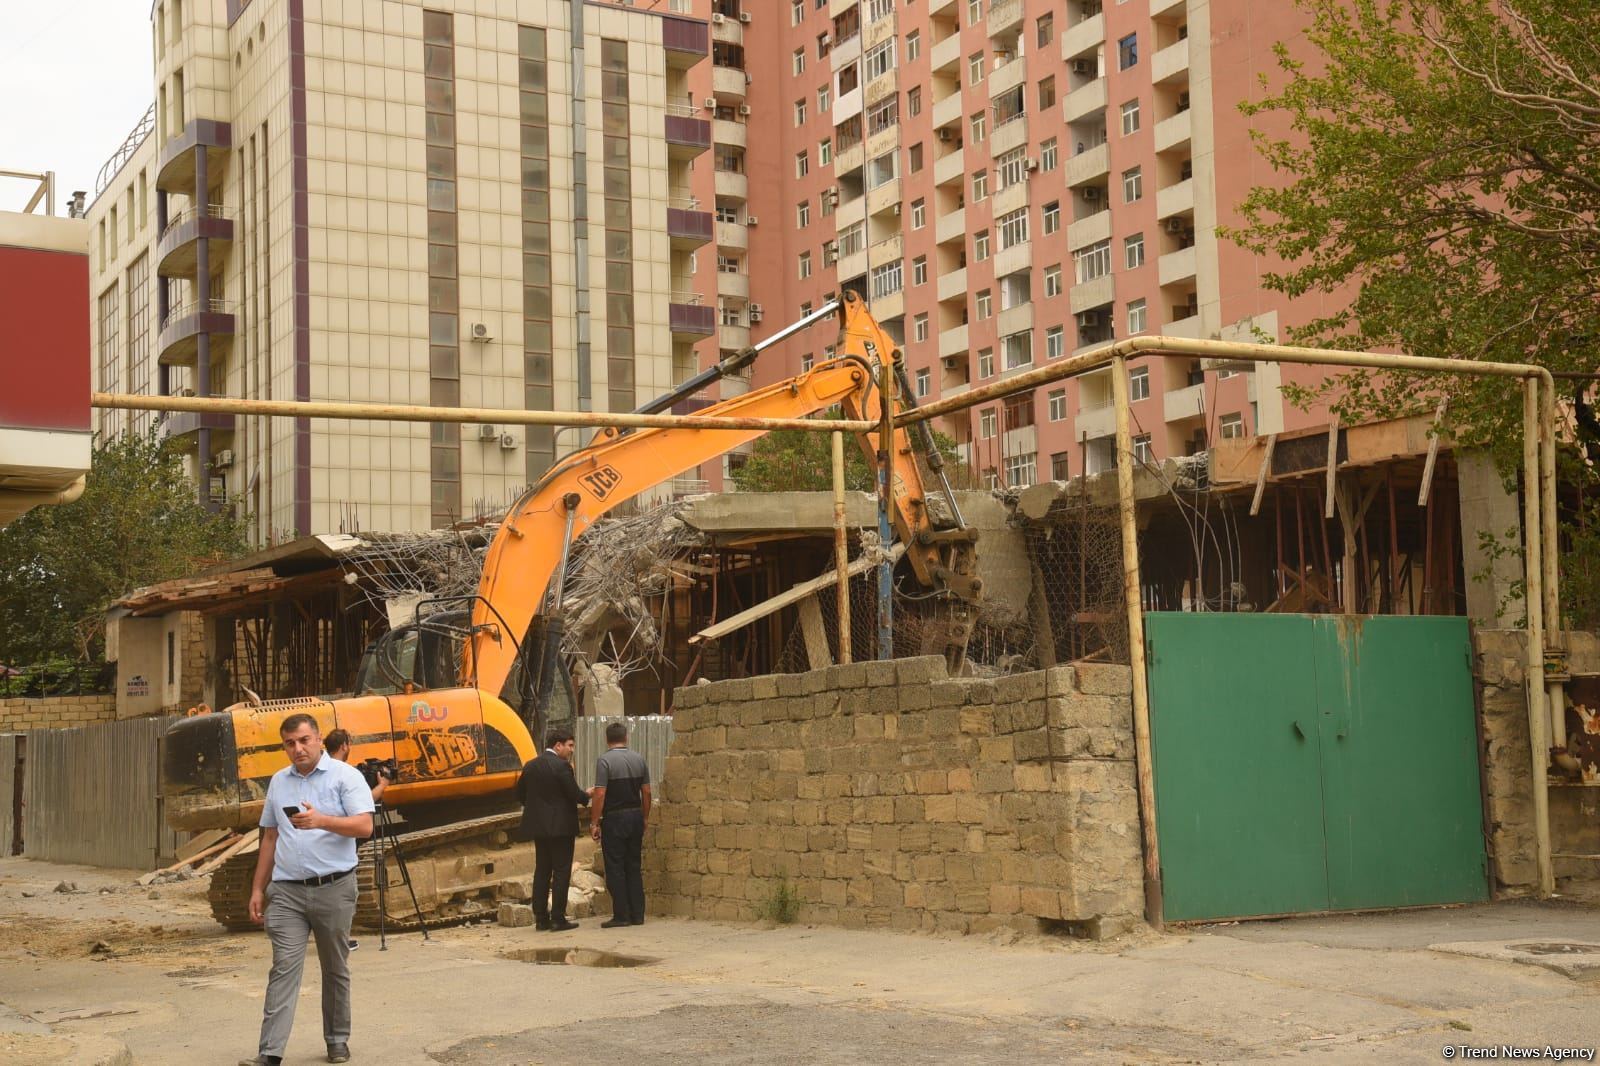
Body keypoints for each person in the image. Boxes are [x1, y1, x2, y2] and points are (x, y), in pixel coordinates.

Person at [240, 713, 374, 1066]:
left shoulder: (347, 777)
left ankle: (336, 1040)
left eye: (303, 740)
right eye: (289, 743)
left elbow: (364, 826)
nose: (297, 749)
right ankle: (270, 1052)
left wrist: (322, 821)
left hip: (334, 887)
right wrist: (258, 888)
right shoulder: (279, 782)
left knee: (334, 967)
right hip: (286, 892)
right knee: (283, 967)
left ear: (317, 739)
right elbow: (270, 836)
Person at [514, 729, 591, 932]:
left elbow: (521, 794)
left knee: (542, 870)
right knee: (561, 871)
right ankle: (558, 917)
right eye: (570, 746)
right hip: (561, 828)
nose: (571, 750)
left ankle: (541, 918)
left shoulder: (530, 766)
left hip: (539, 828)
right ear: (558, 745)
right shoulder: (562, 766)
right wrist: (586, 795)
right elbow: (573, 793)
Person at [323, 728, 381, 952]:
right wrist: (382, 786)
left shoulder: (325, 771)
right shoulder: (344, 773)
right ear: (345, 745)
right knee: (339, 895)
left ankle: (333, 936)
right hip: (338, 842)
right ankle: (339, 938)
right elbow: (362, 809)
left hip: (327, 842)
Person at [590, 721, 651, 929]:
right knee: (633, 865)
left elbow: (599, 793)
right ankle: (638, 914)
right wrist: (644, 817)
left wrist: (594, 822)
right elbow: (647, 792)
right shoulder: (639, 759)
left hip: (614, 818)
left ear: (607, 739)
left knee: (615, 867)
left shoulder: (604, 761)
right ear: (626, 738)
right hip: (635, 816)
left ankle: (621, 915)